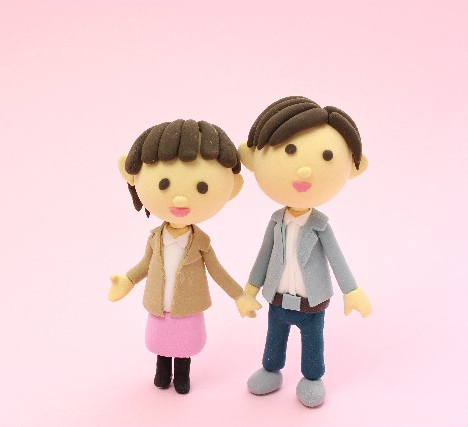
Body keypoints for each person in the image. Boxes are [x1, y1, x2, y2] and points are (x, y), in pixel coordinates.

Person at [238, 96, 372, 407]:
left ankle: (312, 377)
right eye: (290, 151)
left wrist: (352, 291)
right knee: (274, 336)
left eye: (327, 157)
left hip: (311, 302)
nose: (304, 171)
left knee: (313, 341)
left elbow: (337, 259)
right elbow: (263, 256)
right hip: (277, 298)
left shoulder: (321, 226)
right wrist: (249, 290)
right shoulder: (276, 222)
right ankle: (271, 369)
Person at [109, 119, 258, 394]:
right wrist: (127, 281)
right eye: (164, 184)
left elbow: (218, 271)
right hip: (159, 304)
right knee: (160, 343)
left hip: (187, 307)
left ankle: (182, 376)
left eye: (202, 187)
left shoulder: (201, 242)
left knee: (185, 345)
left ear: (233, 188)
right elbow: (145, 264)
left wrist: (240, 296)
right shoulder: (155, 238)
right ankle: (162, 371)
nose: (179, 200)